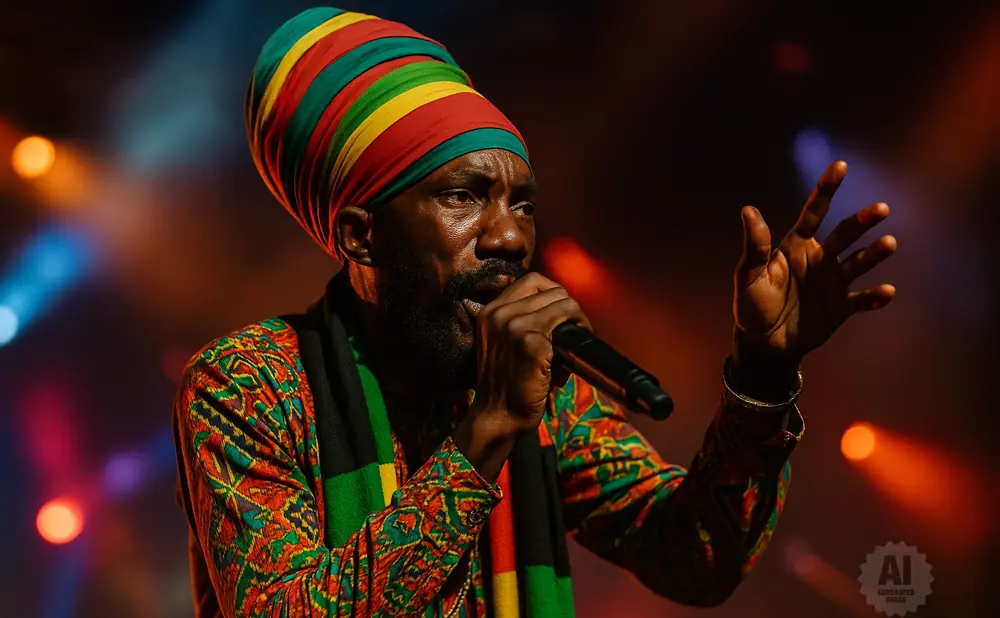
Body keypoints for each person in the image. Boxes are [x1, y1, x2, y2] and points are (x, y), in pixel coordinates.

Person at [172, 6, 897, 618]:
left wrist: (764, 375)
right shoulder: (248, 384)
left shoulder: (544, 394)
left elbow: (696, 557)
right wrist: (485, 433)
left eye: (522, 204)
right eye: (464, 196)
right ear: (360, 233)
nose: (511, 237)